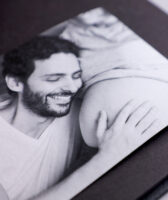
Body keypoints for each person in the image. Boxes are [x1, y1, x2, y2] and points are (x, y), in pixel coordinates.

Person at [0, 36, 158, 200]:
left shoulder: (75, 107)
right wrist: (108, 157)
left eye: (76, 76)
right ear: (15, 83)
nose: (72, 87)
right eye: (54, 79)